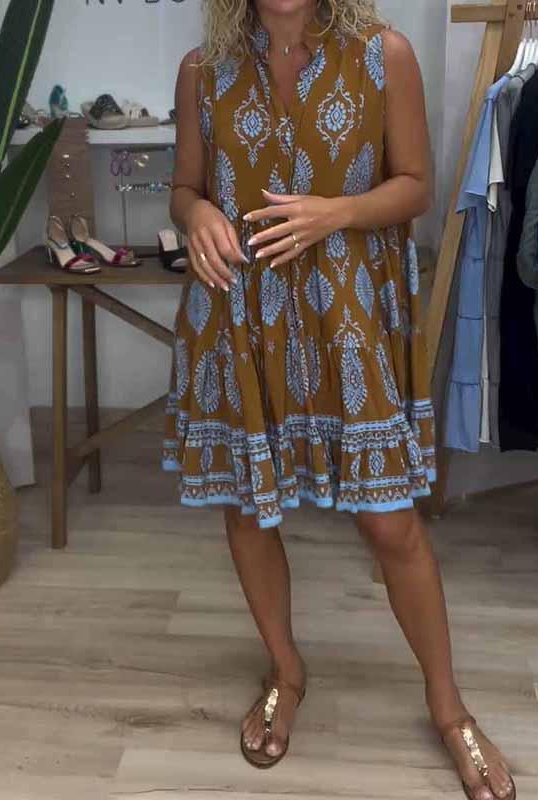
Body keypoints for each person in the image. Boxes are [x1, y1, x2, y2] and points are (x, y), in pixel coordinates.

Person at [162, 1, 515, 798]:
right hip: (241, 315)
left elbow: (416, 186)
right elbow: (183, 188)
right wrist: (199, 212)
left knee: (390, 523)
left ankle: (448, 705)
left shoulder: (383, 55)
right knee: (248, 508)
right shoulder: (203, 71)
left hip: (348, 317)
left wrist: (337, 213)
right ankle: (286, 670)